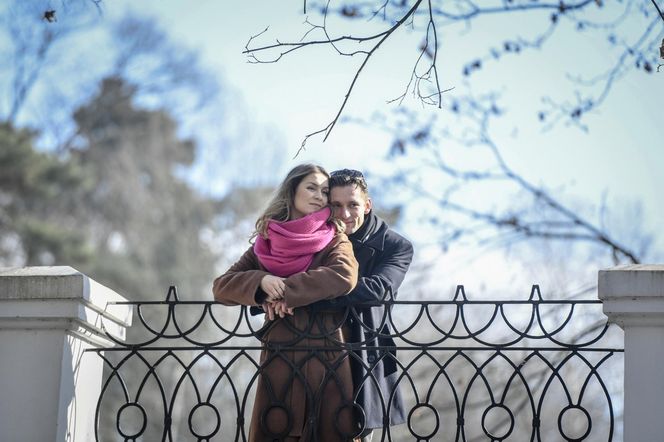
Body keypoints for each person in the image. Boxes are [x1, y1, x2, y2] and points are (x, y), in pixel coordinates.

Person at [212, 164, 360, 442]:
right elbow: (221, 287)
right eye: (311, 187)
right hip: (278, 357)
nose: (319, 195)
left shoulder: (334, 237)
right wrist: (260, 282)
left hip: (326, 357)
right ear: (292, 190)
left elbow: (344, 275)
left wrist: (285, 290)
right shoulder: (265, 241)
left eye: (324, 191)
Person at [325, 169, 414, 441]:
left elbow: (377, 289)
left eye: (352, 204)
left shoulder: (396, 246)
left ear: (367, 204)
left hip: (365, 355)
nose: (345, 214)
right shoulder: (317, 239)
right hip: (315, 349)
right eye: (336, 205)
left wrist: (310, 293)